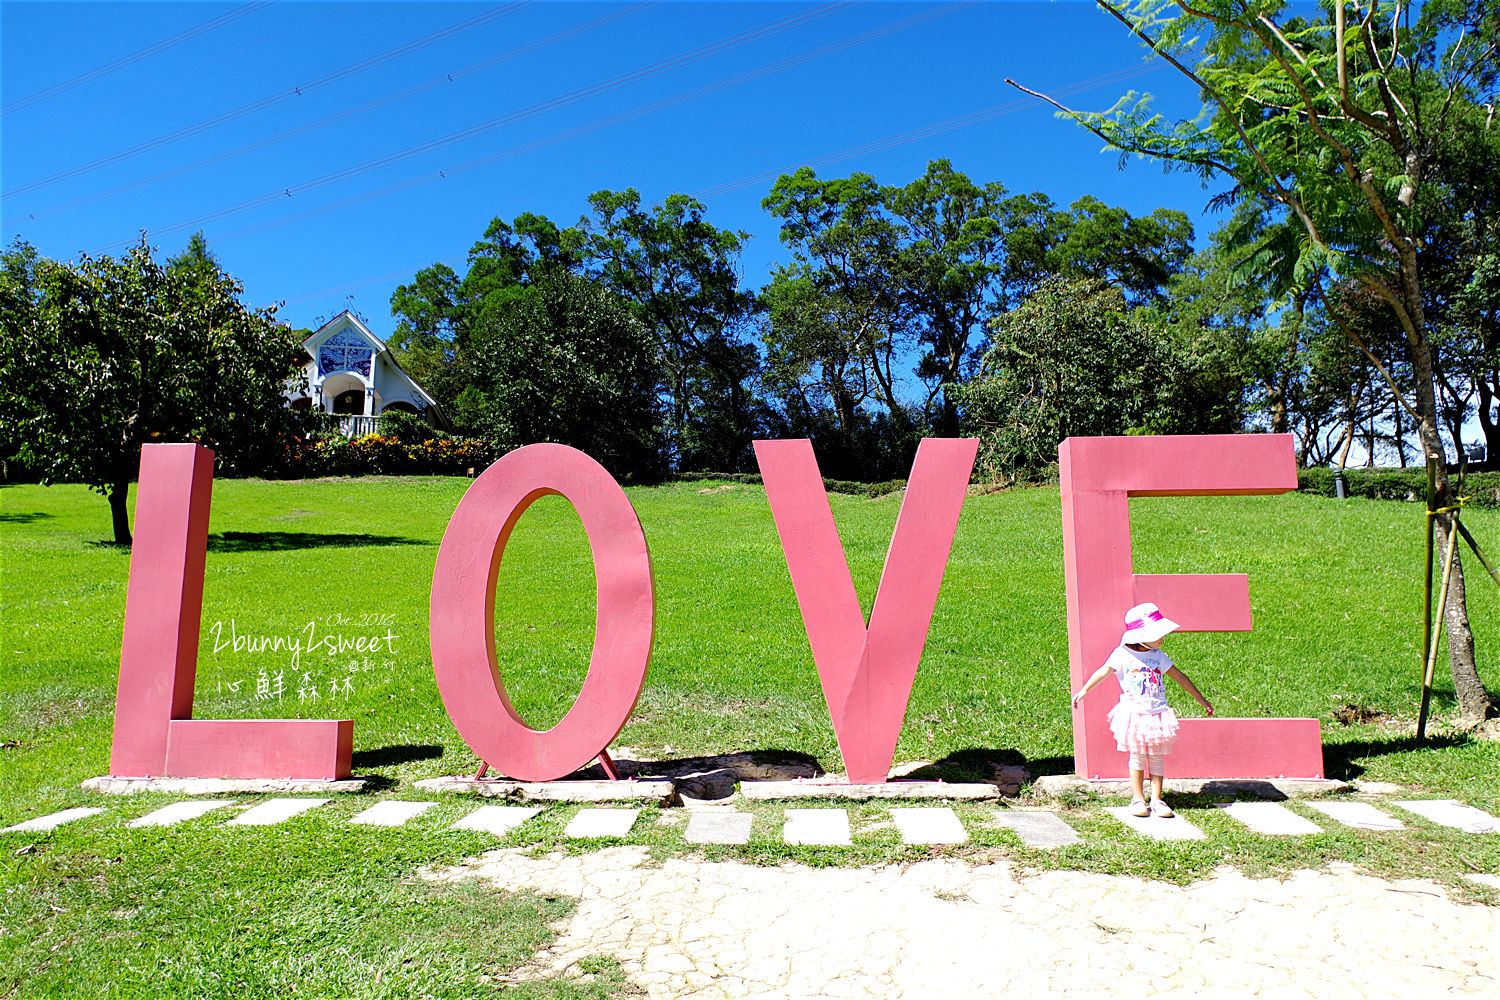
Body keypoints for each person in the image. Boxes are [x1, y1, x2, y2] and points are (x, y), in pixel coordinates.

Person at [1071, 602, 1214, 818]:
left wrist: (1200, 699)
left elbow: (1180, 676)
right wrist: (1084, 690)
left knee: (1156, 756)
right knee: (1137, 755)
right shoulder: (1122, 654)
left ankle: (1157, 799)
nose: (1162, 637)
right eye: (1156, 633)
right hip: (1134, 713)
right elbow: (1103, 672)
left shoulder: (1158, 656)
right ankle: (1138, 798)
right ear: (1140, 635)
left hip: (1157, 712)